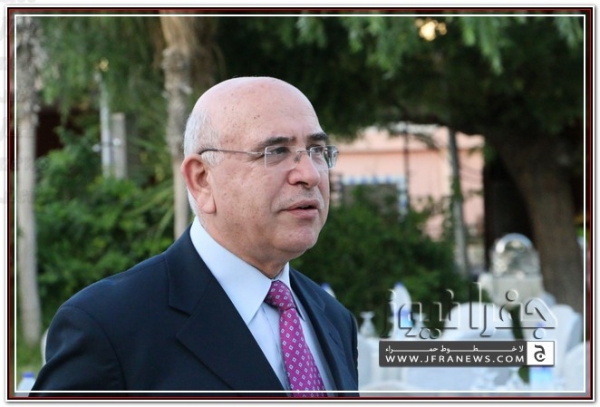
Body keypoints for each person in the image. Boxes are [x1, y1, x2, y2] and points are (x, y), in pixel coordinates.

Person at [30, 76, 359, 398]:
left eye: (317, 150)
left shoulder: (334, 318)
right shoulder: (108, 327)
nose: (310, 174)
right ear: (202, 179)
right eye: (276, 151)